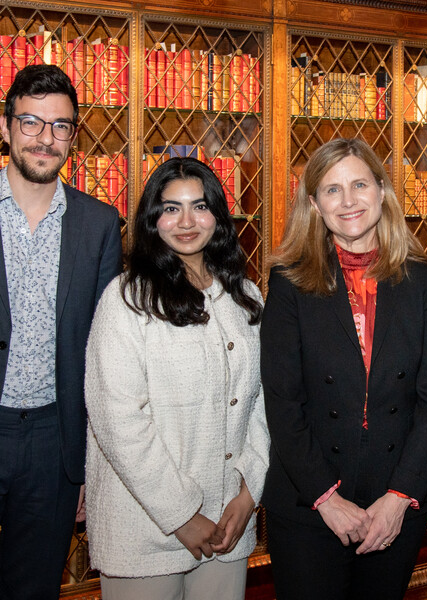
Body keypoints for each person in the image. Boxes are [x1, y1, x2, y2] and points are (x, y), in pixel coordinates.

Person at [260, 137, 427, 600]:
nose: (348, 201)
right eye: (331, 190)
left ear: (382, 191)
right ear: (314, 204)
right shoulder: (288, 282)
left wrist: (398, 496)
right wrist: (327, 499)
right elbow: (283, 402)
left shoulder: (422, 278)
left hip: (396, 498)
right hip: (311, 499)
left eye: (359, 184)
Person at [84, 157, 269, 600]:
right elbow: (117, 420)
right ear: (152, 219)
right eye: (170, 208)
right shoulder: (127, 298)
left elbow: (263, 402)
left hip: (229, 525)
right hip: (145, 530)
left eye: (199, 206)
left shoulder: (245, 296)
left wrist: (248, 492)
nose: (186, 221)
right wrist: (183, 515)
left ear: (218, 217)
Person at [0, 64, 122, 599]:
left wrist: (88, 460)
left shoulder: (98, 224)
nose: (45, 138)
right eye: (30, 122)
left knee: (32, 587)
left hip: (56, 441)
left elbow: (104, 354)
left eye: (60, 126)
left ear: (74, 135)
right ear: (5, 128)